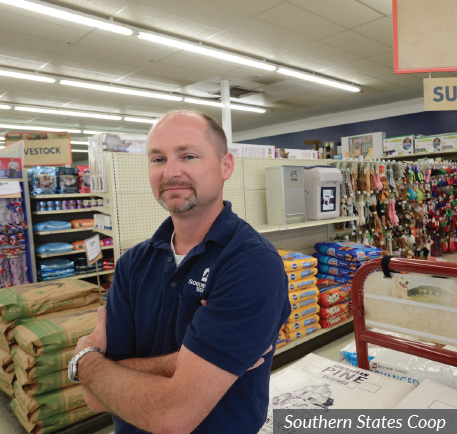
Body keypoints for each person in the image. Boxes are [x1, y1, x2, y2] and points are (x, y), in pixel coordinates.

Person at [72, 110, 291, 434]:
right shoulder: (133, 264)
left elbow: (174, 415)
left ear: (225, 165)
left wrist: (86, 362)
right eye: (158, 159)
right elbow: (95, 398)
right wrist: (187, 363)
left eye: (188, 155)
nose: (171, 171)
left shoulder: (252, 263)